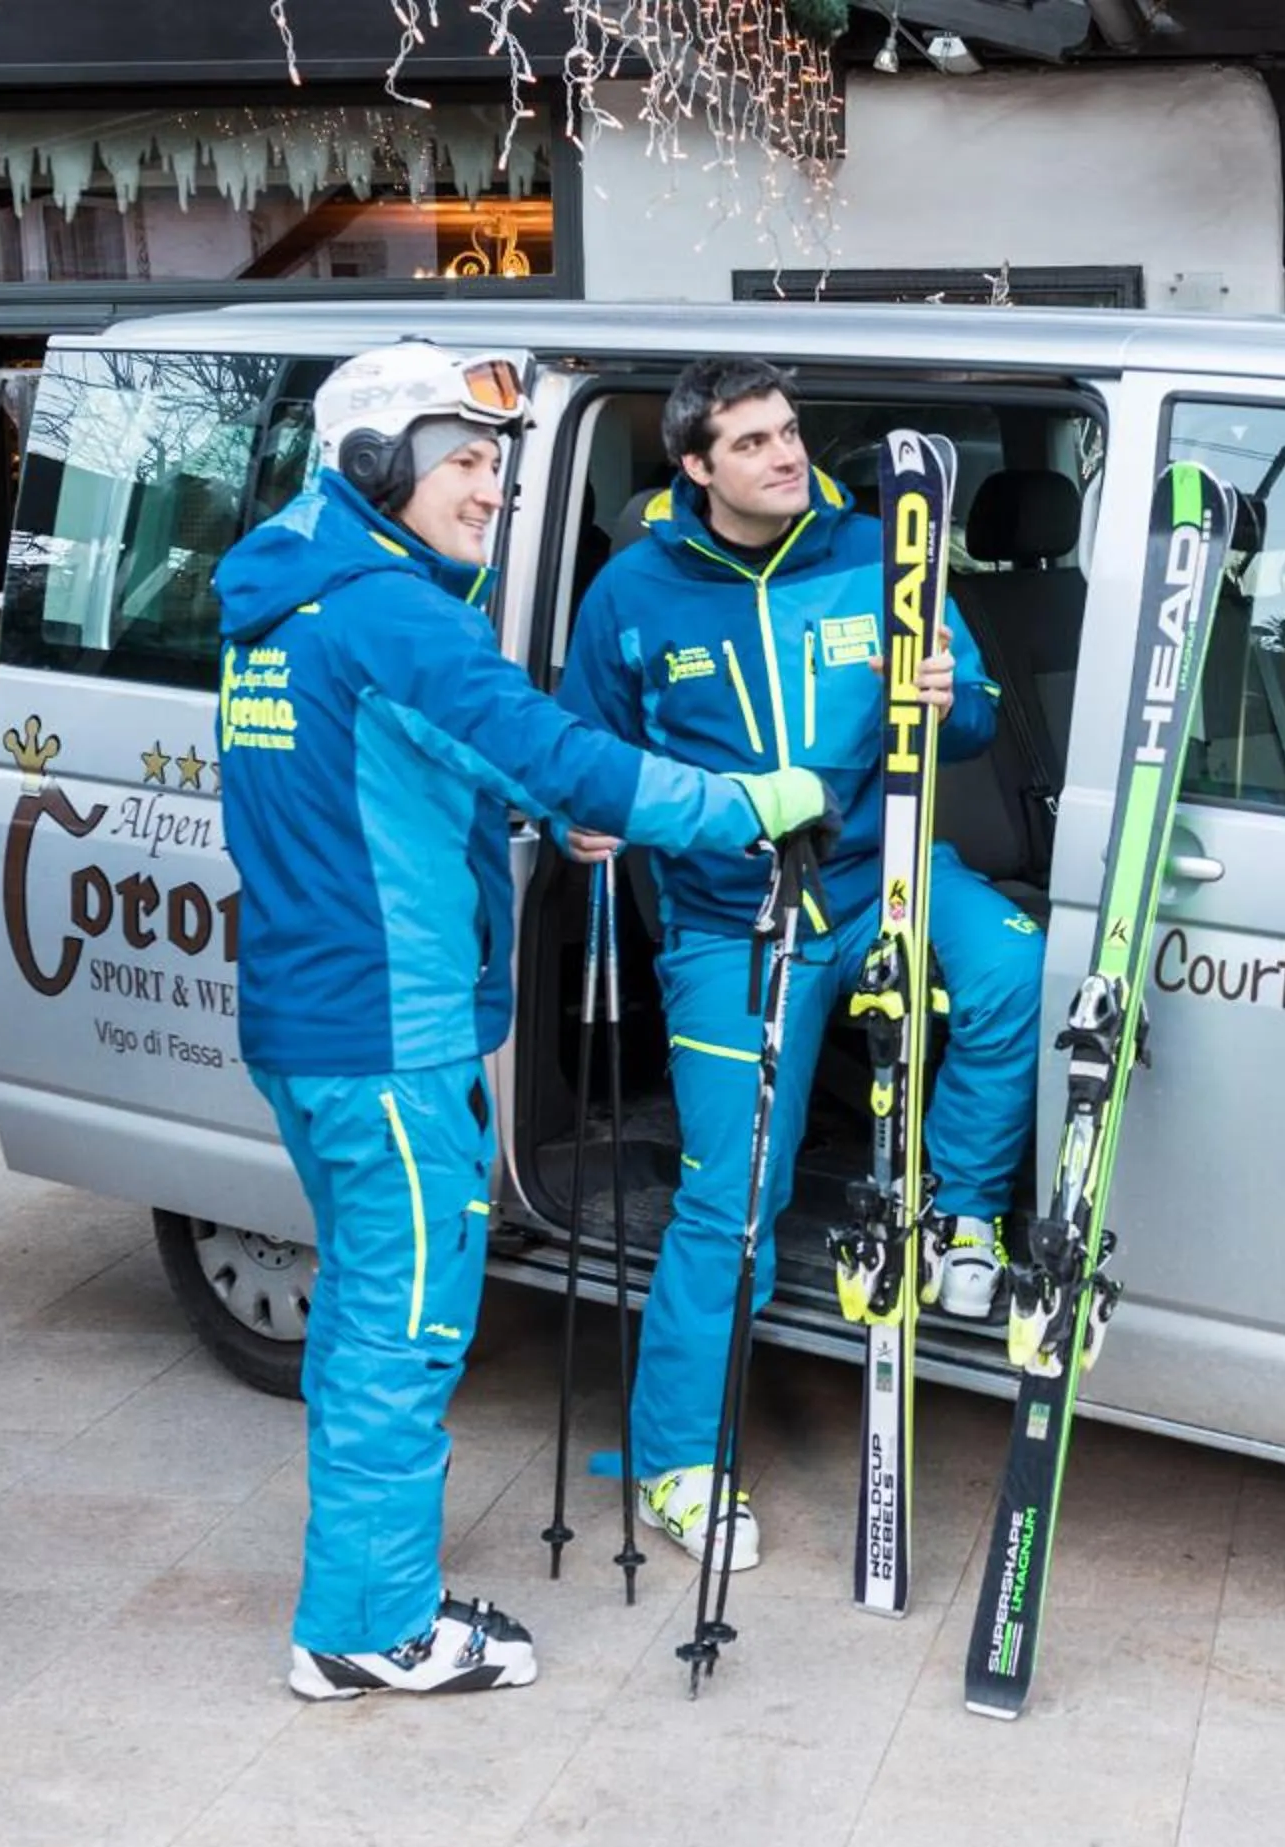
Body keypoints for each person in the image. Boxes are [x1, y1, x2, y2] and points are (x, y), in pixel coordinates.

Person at [214, 341, 828, 1700]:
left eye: (499, 464)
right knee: (408, 1325)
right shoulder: (393, 614)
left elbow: (379, 772)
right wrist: (741, 804)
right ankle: (369, 1628)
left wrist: (543, 809)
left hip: (308, 1021)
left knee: (362, 1315)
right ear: (378, 463)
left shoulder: (283, 597)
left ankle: (363, 1589)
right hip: (391, 1036)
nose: (490, 490)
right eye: (464, 461)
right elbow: (552, 746)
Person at [556, 357, 1044, 1571]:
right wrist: (581, 815)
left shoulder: (884, 550)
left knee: (1013, 978)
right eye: (756, 442)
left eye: (790, 433)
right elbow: (576, 750)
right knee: (734, 1203)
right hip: (733, 916)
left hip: (888, 868)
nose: (788, 456)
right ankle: (677, 1466)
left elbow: (976, 713)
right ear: (695, 467)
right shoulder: (633, 592)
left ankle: (963, 1220)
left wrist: (948, 694)